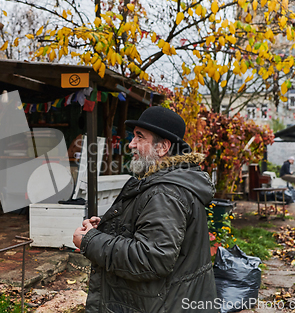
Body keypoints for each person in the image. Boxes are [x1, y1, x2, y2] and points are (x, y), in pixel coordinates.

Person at [73, 106, 217, 313]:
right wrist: (105, 229)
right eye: (133, 136)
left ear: (163, 148)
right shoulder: (165, 184)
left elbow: (151, 259)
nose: (131, 144)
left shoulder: (165, 193)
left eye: (140, 137)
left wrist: (90, 241)